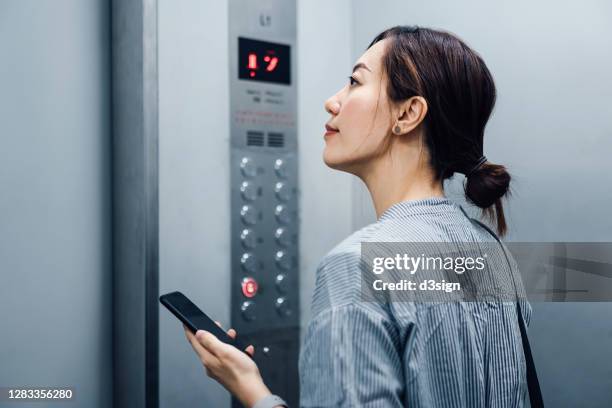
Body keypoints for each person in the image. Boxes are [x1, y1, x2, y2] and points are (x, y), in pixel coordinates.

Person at [183, 25, 532, 407]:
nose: (332, 101)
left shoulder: (355, 268)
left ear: (408, 113)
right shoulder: (494, 255)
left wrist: (251, 390)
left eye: (354, 82)